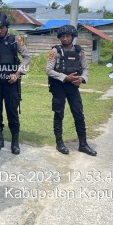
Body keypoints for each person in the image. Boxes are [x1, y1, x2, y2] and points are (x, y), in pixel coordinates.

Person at [46, 24, 97, 156]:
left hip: (73, 87)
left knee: (79, 114)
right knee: (59, 114)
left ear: (73, 37)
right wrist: (65, 77)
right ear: (60, 38)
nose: (65, 39)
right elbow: (49, 70)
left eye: (68, 36)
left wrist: (82, 79)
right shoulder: (55, 51)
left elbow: (85, 68)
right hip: (59, 87)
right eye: (63, 36)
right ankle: (59, 143)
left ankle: (83, 144)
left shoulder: (79, 51)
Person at [0, 13, 31, 155]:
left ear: (7, 27)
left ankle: (15, 141)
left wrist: (17, 74)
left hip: (11, 81)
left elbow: (27, 57)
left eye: (1, 27)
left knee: (12, 111)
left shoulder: (15, 40)